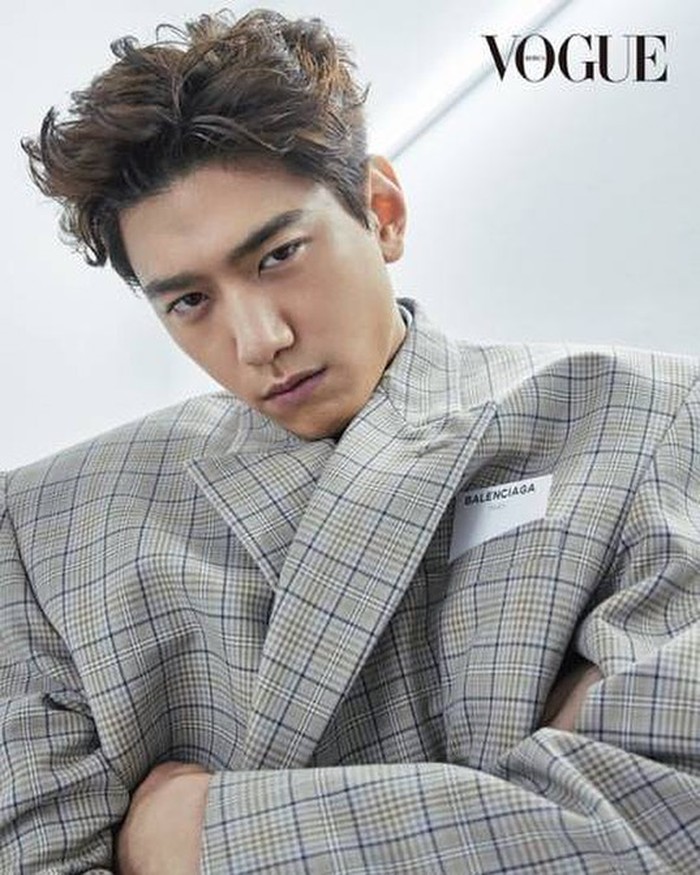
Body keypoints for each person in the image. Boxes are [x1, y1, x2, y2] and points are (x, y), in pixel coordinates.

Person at [1, 8, 699, 873]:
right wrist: (512, 795)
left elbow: (663, 822)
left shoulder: (642, 418)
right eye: (190, 301)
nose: (259, 340)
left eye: (278, 255)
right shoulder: (46, 527)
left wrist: (195, 837)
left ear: (382, 212)